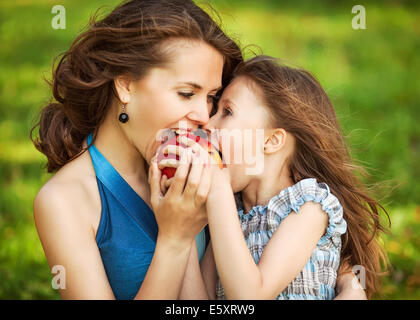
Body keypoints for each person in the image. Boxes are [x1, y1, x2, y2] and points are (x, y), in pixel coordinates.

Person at [31, 0, 242, 299]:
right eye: (186, 93)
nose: (204, 116)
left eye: (211, 96)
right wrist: (174, 239)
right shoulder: (65, 200)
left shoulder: (205, 162)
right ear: (126, 85)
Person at [155, 56, 389, 299]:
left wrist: (218, 191)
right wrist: (185, 233)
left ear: (272, 140)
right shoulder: (230, 215)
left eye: (227, 112)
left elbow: (250, 296)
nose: (208, 124)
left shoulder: (309, 206)